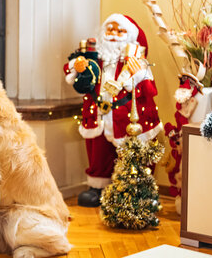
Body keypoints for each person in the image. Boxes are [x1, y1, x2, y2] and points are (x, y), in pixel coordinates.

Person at [63, 14, 163, 207]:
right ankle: (97, 187)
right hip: (98, 114)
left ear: (129, 36)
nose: (113, 34)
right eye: (110, 29)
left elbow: (150, 90)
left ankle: (132, 189)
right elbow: (72, 72)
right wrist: (77, 66)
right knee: (98, 152)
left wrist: (137, 74)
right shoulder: (95, 57)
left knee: (129, 154)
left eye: (120, 30)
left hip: (125, 117)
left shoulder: (136, 61)